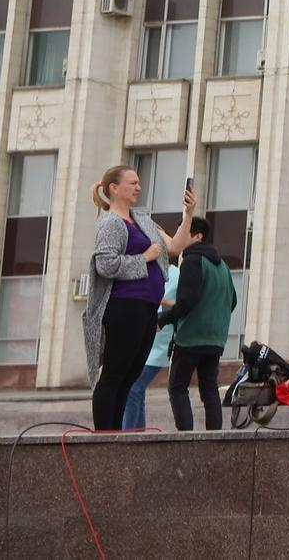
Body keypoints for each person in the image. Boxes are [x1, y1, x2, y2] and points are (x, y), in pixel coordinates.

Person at [82, 165, 197, 432]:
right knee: (114, 373)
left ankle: (116, 434)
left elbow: (174, 247)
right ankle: (104, 435)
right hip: (124, 307)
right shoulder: (110, 222)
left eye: (139, 182)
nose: (138, 187)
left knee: (131, 375)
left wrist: (189, 213)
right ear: (114, 188)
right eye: (132, 182)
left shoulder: (143, 220)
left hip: (146, 309)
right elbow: (105, 265)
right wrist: (143, 258)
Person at [159, 215, 236, 430]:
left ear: (198, 236)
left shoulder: (192, 261)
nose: (179, 237)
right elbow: (233, 301)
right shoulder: (223, 267)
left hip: (191, 337)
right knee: (209, 388)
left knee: (177, 387)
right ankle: (214, 439)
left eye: (184, 232)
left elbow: (186, 302)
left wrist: (163, 320)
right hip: (215, 340)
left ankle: (186, 438)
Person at [124, 263, 177, 432]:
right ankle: (138, 433)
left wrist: (166, 303)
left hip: (159, 339)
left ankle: (129, 434)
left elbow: (183, 304)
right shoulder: (148, 270)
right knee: (136, 388)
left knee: (134, 387)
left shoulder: (176, 274)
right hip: (144, 338)